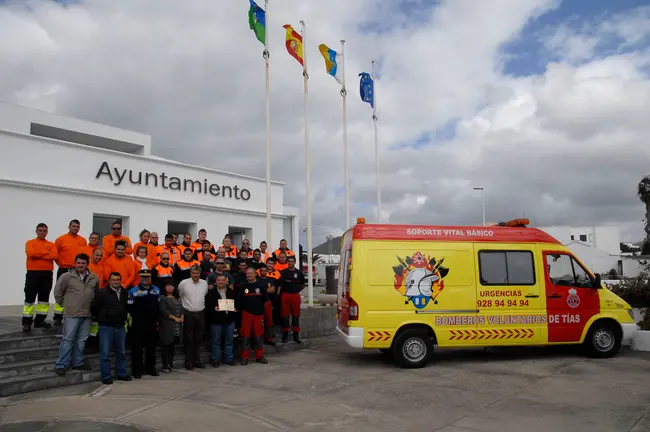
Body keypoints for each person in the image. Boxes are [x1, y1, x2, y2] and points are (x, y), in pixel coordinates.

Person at [53, 253, 98, 375]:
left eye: (83, 263)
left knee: (82, 340)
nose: (80, 265)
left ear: (87, 264)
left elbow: (96, 294)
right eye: (78, 263)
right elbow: (58, 292)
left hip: (87, 314)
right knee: (68, 339)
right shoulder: (66, 276)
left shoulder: (94, 278)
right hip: (71, 314)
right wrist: (66, 304)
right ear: (75, 263)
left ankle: (77, 362)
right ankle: (62, 364)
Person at [92, 272, 132, 385]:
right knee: (105, 354)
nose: (116, 281)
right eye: (113, 280)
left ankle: (122, 373)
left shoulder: (124, 292)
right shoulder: (102, 292)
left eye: (118, 279)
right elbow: (94, 307)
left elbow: (126, 306)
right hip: (106, 327)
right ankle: (106, 376)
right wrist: (103, 317)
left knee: (121, 352)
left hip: (120, 327)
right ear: (109, 281)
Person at [23, 223, 58, 332]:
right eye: (40, 230)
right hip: (33, 274)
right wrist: (45, 253)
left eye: (44, 231)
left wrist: (39, 254)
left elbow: (54, 255)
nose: (42, 232)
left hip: (47, 274)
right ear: (36, 231)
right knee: (29, 299)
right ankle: (26, 322)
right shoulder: (30, 243)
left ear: (47, 232)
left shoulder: (51, 244)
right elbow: (31, 254)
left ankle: (40, 321)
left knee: (44, 299)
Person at [127, 269, 160, 378]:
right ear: (140, 278)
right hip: (138, 323)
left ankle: (151, 368)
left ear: (150, 277)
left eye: (147, 277)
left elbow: (158, 307)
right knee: (137, 348)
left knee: (151, 347)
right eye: (143, 277)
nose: (145, 279)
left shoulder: (156, 290)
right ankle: (137, 370)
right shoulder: (133, 291)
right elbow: (130, 308)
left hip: (151, 322)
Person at [54, 219, 88, 325]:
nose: (76, 228)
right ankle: (58, 316)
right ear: (69, 226)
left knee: (76, 292)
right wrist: (61, 263)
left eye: (78, 226)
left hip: (78, 270)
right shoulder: (61, 239)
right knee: (61, 291)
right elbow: (55, 254)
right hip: (64, 268)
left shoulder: (82, 240)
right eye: (74, 226)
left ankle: (73, 314)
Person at [178, 265, 208, 370]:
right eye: (193, 273)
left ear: (200, 273)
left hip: (200, 313)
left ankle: (197, 360)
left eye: (197, 273)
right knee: (189, 339)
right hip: (188, 314)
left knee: (199, 338)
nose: (195, 275)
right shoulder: (184, 283)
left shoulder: (204, 283)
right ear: (190, 273)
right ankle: (189, 361)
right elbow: (180, 296)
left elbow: (205, 295)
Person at [238, 267, 268, 365]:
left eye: (251, 273)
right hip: (246, 314)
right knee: (246, 336)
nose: (249, 275)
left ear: (255, 274)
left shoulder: (261, 285)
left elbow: (264, 299)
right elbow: (240, 300)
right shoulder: (243, 286)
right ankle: (245, 357)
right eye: (247, 274)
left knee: (258, 336)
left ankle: (260, 356)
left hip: (258, 314)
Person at [205, 274, 236, 367]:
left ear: (226, 282)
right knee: (215, 341)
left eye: (223, 280)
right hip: (216, 321)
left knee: (229, 341)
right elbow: (207, 306)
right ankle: (216, 359)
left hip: (229, 320)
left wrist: (235, 309)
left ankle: (229, 359)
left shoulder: (231, 292)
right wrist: (214, 308)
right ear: (216, 282)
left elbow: (237, 303)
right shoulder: (210, 293)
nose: (221, 282)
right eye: (219, 280)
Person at [279, 256, 305, 344]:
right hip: (285, 295)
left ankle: (296, 337)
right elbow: (279, 286)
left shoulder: (299, 273)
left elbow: (302, 285)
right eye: (289, 261)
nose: (290, 263)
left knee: (296, 316)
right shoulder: (283, 273)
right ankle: (285, 336)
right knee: (285, 317)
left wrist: (296, 291)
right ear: (287, 262)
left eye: (292, 261)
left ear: (295, 262)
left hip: (295, 296)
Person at [159, 281, 183, 373]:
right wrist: (175, 318)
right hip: (167, 324)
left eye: (172, 285)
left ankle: (171, 364)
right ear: (164, 287)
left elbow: (181, 308)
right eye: (168, 285)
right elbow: (164, 311)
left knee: (172, 345)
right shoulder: (162, 298)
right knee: (166, 344)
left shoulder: (177, 297)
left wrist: (181, 317)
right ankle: (165, 365)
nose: (170, 287)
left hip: (176, 325)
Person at [258, 265, 278, 346]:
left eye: (264, 270)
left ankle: (268, 339)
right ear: (259, 271)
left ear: (267, 271)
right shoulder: (257, 280)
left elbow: (273, 290)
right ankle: (258, 339)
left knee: (269, 321)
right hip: (258, 303)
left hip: (267, 302)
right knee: (259, 322)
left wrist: (263, 290)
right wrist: (266, 290)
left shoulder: (271, 280)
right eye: (261, 270)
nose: (263, 272)